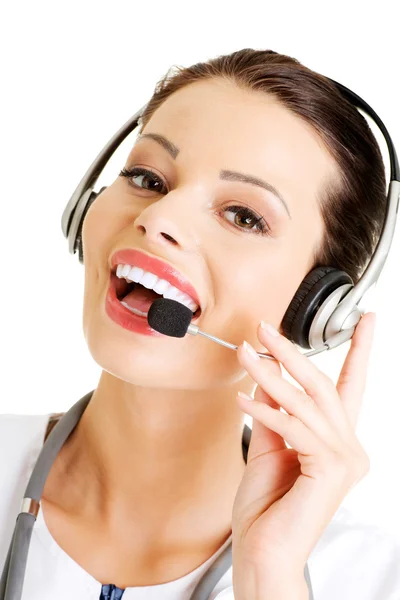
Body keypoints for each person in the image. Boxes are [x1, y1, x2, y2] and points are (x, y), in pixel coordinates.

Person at [1, 48, 400, 600]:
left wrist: (270, 578)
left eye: (243, 216)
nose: (158, 218)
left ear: (317, 309)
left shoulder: (374, 576)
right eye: (147, 177)